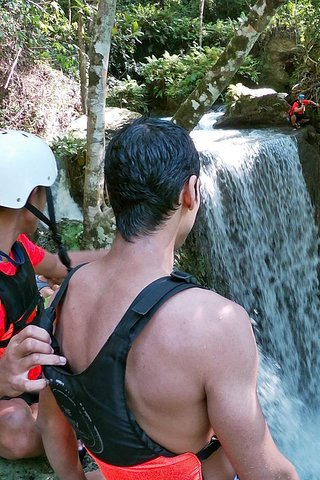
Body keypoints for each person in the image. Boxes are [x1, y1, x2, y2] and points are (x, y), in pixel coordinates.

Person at [37, 118, 299, 480]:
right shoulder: (215, 323)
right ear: (189, 192)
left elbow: (52, 424)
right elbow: (271, 475)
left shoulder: (67, 296)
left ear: (112, 195)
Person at [0, 129, 105, 460]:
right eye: (45, 193)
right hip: (9, 386)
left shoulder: (16, 248)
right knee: (14, 428)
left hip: (28, 373)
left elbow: (62, 265)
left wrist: (127, 253)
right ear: (31, 197)